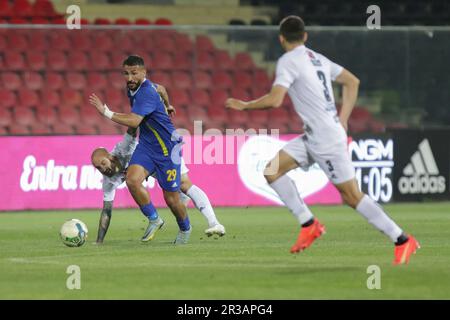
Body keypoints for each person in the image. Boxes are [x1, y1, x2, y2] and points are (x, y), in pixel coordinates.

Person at [225, 16, 419, 265]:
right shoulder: (318, 58)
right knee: (272, 170)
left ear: (281, 38)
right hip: (314, 135)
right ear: (305, 36)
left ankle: (402, 239)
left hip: (326, 139)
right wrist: (344, 118)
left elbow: (275, 100)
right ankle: (309, 224)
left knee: (351, 197)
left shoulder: (288, 61)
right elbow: (352, 81)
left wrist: (245, 105)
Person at [89, 55, 191, 245]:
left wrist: (106, 112)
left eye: (134, 73)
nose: (129, 78)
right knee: (132, 180)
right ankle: (154, 219)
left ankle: (185, 228)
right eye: (126, 74)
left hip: (168, 147)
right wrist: (168, 104)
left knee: (172, 199)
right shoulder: (134, 89)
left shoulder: (145, 92)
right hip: (147, 144)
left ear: (144, 72)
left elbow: (135, 120)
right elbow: (161, 88)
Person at [91, 130, 226, 244]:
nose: (103, 168)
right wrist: (99, 241)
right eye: (98, 167)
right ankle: (156, 219)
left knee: (185, 185)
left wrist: (108, 113)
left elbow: (132, 127)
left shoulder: (123, 148)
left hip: (161, 155)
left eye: (103, 163)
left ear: (110, 156)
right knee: (171, 195)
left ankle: (213, 222)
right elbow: (106, 211)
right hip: (152, 170)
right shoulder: (109, 180)